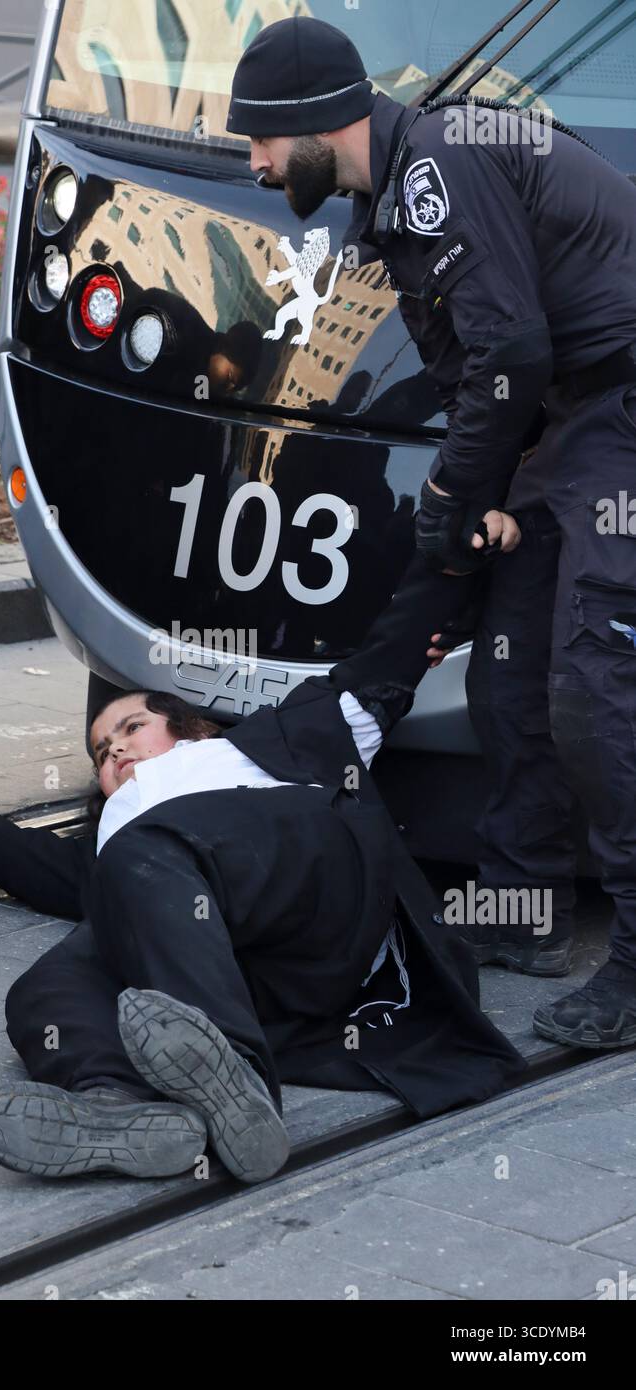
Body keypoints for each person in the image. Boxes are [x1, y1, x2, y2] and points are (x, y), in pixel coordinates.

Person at [226, 15, 636, 1050]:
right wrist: (482, 495)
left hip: (617, 406)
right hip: (563, 417)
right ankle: (524, 906)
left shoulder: (440, 163)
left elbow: (506, 347)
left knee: (590, 681)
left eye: (261, 141)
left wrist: (459, 496)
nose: (255, 164)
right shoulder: (399, 193)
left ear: (314, 124)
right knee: (509, 664)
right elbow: (472, 375)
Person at [0, 558, 525, 1185]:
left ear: (193, 726)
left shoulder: (279, 737)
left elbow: (392, 651)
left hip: (318, 888)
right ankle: (120, 1107)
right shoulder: (107, 846)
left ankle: (239, 1084)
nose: (113, 748)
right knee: (45, 985)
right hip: (236, 962)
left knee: (144, 854)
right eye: (100, 752)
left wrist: (456, 537)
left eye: (131, 726)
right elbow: (3, 848)